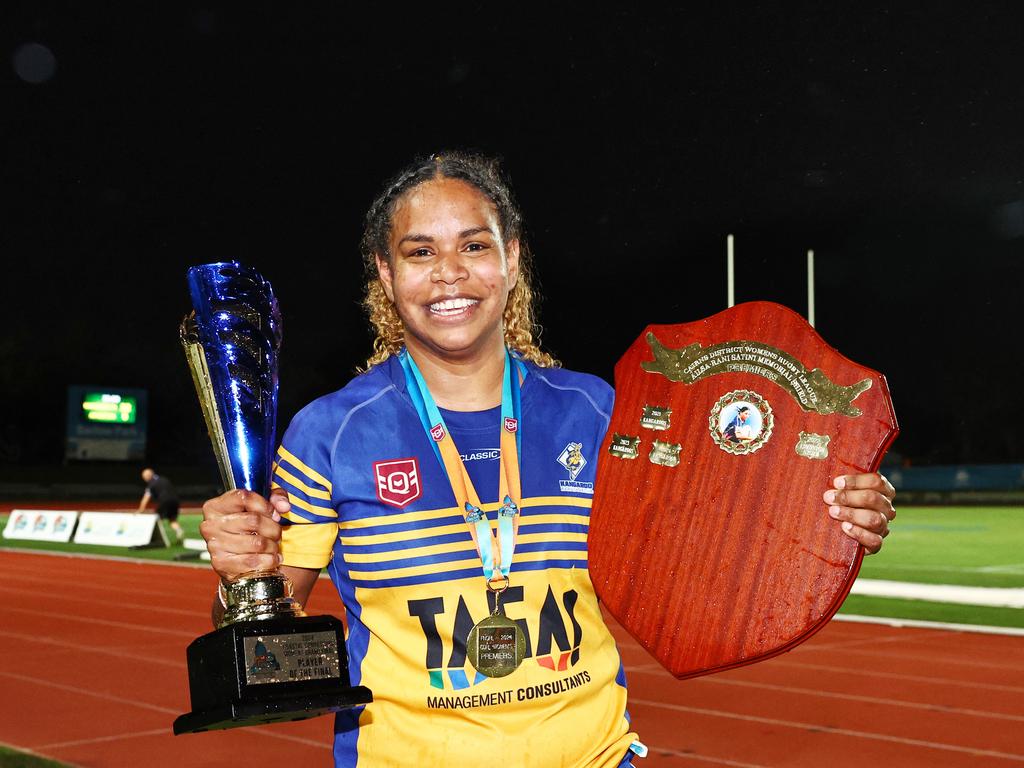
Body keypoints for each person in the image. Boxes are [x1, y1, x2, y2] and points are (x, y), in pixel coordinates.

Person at [199, 152, 896, 767]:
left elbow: (717, 530)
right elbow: (270, 639)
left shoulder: (596, 413)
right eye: (419, 253)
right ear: (385, 274)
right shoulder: (329, 433)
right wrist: (243, 574)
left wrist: (835, 509)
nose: (449, 274)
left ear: (512, 257)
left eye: (474, 245)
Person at [138, 467, 184, 542]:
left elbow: (146, 498)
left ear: (148, 476)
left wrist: (141, 509)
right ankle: (179, 530)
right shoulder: (164, 479)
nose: (144, 479)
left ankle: (157, 539)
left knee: (156, 519)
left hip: (164, 501)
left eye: (144, 477)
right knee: (172, 519)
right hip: (175, 501)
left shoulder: (151, 484)